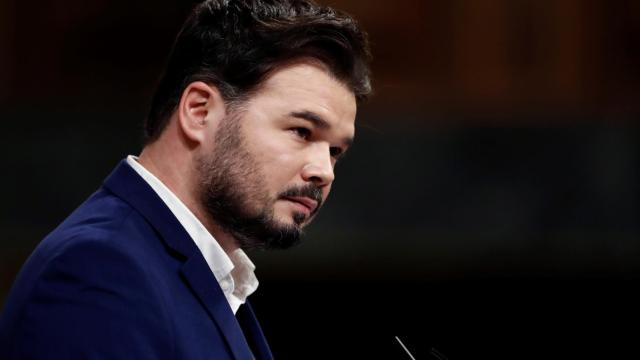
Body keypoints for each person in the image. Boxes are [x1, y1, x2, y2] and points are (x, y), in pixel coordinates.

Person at [0, 0, 371, 358]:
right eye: (302, 131)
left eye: (336, 151)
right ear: (199, 111)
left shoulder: (203, 274)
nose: (324, 171)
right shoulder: (98, 271)